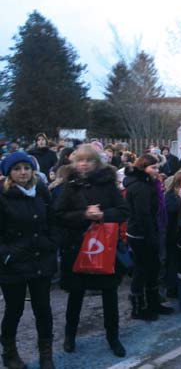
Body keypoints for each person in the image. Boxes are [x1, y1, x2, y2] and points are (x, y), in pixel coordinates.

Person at [55, 144, 129, 357]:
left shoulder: (108, 184)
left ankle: (113, 337)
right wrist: (84, 214)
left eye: (88, 160)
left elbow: (124, 211)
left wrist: (103, 215)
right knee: (75, 296)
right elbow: (59, 214)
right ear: (74, 162)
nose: (84, 164)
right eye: (80, 160)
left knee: (110, 296)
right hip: (78, 248)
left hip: (104, 248)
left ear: (96, 162)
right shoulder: (70, 185)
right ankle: (70, 335)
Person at [0, 151, 58, 369]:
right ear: (9, 173)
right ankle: (9, 353)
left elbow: (52, 221)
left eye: (26, 167)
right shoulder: (2, 195)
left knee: (43, 309)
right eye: (17, 169)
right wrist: (7, 255)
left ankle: (46, 354)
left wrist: (52, 243)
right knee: (14, 310)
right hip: (13, 264)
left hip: (41, 260)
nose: (22, 172)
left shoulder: (41, 190)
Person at [124, 154, 174, 321]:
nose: (156, 170)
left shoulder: (149, 183)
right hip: (141, 234)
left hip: (151, 231)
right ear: (143, 168)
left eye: (157, 167)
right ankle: (138, 308)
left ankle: (153, 303)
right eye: (152, 167)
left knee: (153, 269)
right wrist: (151, 236)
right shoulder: (139, 186)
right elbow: (142, 215)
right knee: (141, 270)